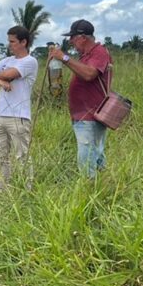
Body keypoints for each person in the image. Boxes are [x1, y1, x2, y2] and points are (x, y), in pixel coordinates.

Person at [47, 20, 112, 176]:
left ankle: (90, 191)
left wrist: (64, 58)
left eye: (73, 38)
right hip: (84, 115)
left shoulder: (99, 52)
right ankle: (102, 189)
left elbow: (89, 74)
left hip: (90, 115)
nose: (70, 42)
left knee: (87, 159)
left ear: (83, 37)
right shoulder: (85, 56)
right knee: (95, 156)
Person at [0, 25, 38, 190]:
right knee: (1, 156)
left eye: (12, 41)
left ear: (23, 42)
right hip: (0, 115)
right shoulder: (7, 61)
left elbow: (9, 75)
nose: (9, 45)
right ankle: (1, 191)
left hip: (19, 116)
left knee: (22, 156)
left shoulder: (30, 61)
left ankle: (27, 190)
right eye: (9, 41)